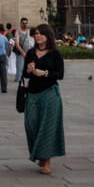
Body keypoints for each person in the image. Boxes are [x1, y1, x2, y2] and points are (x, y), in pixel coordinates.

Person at [22, 24, 65, 175]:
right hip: (32, 93)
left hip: (50, 93)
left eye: (41, 34)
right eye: (36, 34)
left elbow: (60, 74)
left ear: (48, 36)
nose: (38, 36)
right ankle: (40, 153)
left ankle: (46, 161)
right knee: (31, 124)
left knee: (47, 127)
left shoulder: (55, 54)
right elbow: (25, 75)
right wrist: (29, 70)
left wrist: (44, 73)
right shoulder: (30, 53)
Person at [13, 17, 33, 82]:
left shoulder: (29, 32)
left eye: (26, 23)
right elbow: (17, 44)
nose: (24, 24)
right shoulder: (17, 32)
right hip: (20, 53)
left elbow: (32, 42)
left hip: (29, 52)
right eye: (23, 23)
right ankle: (19, 80)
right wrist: (23, 52)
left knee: (29, 67)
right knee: (20, 67)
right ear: (20, 24)